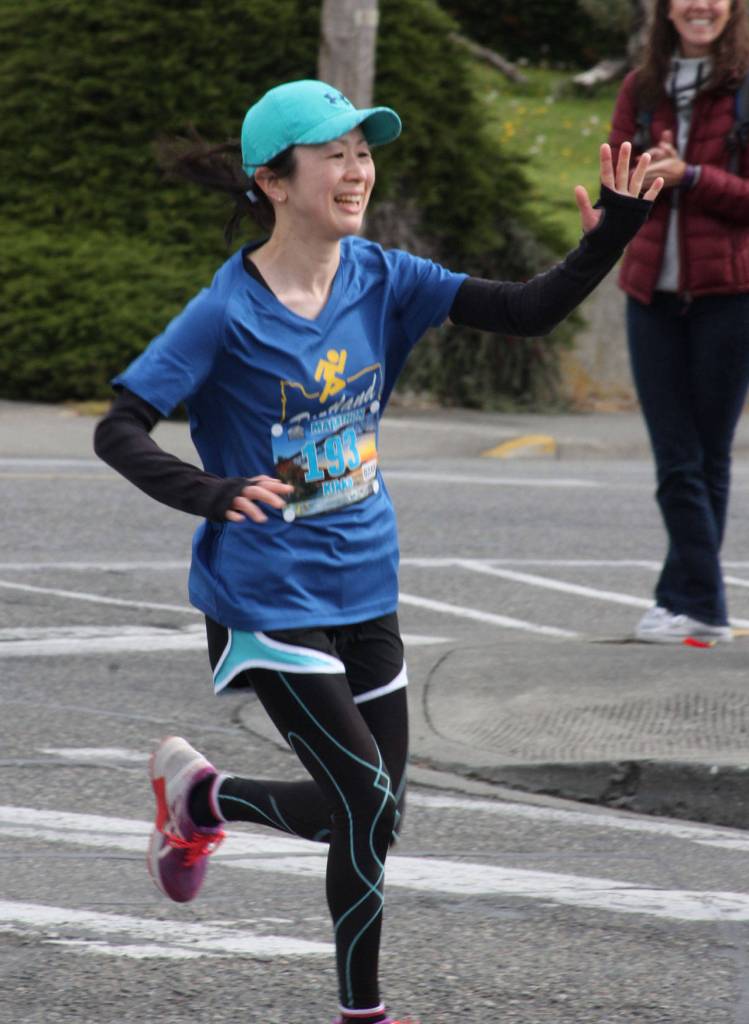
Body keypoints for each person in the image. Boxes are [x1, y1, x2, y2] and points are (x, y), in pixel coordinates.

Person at [94, 78, 661, 1024]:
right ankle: (363, 1014)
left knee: (374, 816)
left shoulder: (382, 276)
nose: (356, 170)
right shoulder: (225, 311)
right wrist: (213, 491)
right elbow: (121, 428)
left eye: (363, 151)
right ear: (275, 181)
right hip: (264, 599)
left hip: (366, 582)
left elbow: (524, 311)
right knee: (362, 797)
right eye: (335, 154)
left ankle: (202, 800)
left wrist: (614, 229)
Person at [609, 0, 749, 644]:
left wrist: (690, 176)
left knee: (705, 456)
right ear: (665, 9)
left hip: (729, 295)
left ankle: (696, 605)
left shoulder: (745, 85)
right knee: (676, 456)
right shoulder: (642, 88)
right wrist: (632, 187)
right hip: (650, 297)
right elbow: (615, 180)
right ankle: (691, 600)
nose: (701, 5)